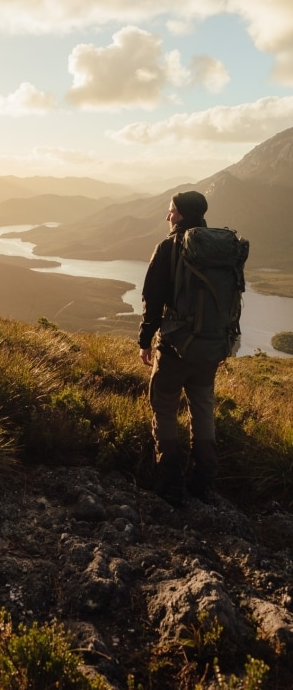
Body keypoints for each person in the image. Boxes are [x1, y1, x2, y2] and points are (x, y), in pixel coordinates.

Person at [138, 190, 219, 506]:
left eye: (171, 211)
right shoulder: (217, 250)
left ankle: (170, 482)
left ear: (182, 214)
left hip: (174, 346)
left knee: (165, 406)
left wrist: (145, 341)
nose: (168, 216)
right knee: (202, 406)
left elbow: (152, 300)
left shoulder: (169, 247)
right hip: (210, 348)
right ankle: (203, 481)